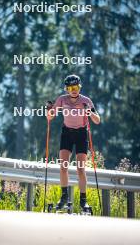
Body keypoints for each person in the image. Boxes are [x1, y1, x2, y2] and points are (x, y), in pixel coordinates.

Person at [46, 74, 100, 211]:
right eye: (70, 88)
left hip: (81, 134)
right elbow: (50, 117)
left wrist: (90, 112)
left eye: (75, 87)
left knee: (80, 169)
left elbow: (97, 120)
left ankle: (83, 201)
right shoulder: (62, 100)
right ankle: (64, 197)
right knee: (63, 166)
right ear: (66, 89)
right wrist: (49, 110)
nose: (73, 90)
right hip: (67, 134)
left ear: (79, 87)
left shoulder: (86, 101)